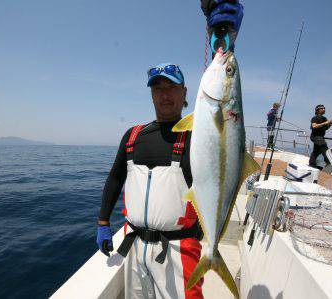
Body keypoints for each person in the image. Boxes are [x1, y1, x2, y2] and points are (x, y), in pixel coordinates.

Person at [96, 1, 244, 298]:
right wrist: (102, 222)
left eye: (172, 88)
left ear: (185, 93)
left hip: (181, 249)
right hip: (135, 247)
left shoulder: (195, 135)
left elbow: (222, 135)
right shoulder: (133, 135)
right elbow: (114, 179)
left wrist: (226, 36)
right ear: (151, 93)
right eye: (158, 89)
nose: (165, 95)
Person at [309, 104, 332, 169]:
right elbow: (314, 126)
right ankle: (329, 163)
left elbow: (326, 128)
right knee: (324, 148)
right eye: (322, 108)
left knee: (317, 151)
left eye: (324, 108)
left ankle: (312, 164)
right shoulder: (315, 118)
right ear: (317, 110)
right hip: (315, 136)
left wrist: (330, 124)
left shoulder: (324, 118)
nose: (324, 109)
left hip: (321, 137)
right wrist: (325, 123)